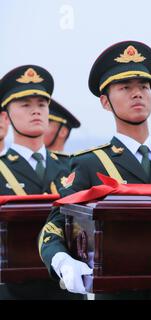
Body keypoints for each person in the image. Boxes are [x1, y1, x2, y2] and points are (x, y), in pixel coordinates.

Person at [38, 41, 151, 299]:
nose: (138, 94)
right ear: (105, 102)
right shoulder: (90, 164)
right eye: (125, 88)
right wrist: (61, 260)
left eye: (144, 86)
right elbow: (54, 228)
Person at [0, 65, 81, 299]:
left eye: (42, 105)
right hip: (12, 290)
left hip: (66, 289)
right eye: (26, 105)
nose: (36, 111)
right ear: (5, 116)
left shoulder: (72, 166)